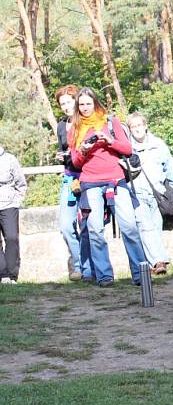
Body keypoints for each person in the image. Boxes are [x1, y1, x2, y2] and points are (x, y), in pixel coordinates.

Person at [69, 88, 146, 287]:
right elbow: (76, 163)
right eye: (82, 105)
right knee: (94, 230)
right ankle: (104, 276)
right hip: (90, 182)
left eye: (88, 103)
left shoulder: (110, 122)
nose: (85, 108)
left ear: (95, 103)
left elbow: (127, 149)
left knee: (129, 227)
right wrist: (84, 150)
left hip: (116, 179)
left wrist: (110, 141)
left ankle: (140, 273)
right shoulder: (75, 129)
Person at [128, 113, 173, 275]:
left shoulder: (158, 144)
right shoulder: (127, 148)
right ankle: (159, 261)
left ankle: (151, 263)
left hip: (158, 193)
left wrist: (172, 188)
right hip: (137, 194)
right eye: (133, 127)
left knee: (155, 227)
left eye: (139, 125)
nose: (137, 129)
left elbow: (168, 167)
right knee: (145, 227)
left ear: (145, 126)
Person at [55, 85, 90, 281]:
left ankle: (87, 267)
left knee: (87, 225)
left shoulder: (86, 123)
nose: (66, 106)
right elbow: (62, 149)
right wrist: (61, 156)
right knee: (66, 226)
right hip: (69, 178)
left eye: (68, 102)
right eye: (62, 104)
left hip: (86, 177)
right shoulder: (61, 125)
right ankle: (77, 264)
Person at [0, 146, 27, 284]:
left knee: (11, 238)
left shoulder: (10, 159)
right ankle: (2, 274)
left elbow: (21, 183)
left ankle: (12, 275)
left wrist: (17, 201)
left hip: (9, 205)